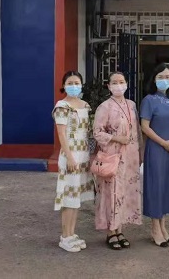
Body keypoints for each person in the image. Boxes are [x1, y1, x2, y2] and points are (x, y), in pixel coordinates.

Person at [93, 71, 143, 250]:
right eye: (114, 82)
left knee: (125, 192)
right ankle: (110, 232)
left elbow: (137, 130)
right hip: (112, 157)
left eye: (121, 81)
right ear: (109, 86)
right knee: (111, 193)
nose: (118, 85)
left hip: (130, 157)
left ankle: (119, 229)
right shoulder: (104, 107)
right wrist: (116, 138)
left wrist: (140, 152)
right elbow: (97, 132)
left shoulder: (131, 105)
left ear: (126, 84)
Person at [140, 63, 169, 247]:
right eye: (160, 77)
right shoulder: (148, 100)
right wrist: (164, 143)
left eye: (167, 77)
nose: (164, 80)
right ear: (153, 79)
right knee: (156, 187)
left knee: (167, 187)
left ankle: (163, 227)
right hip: (157, 149)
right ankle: (155, 229)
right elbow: (145, 127)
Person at [52, 70, 95, 253]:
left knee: (76, 198)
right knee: (68, 197)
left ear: (81, 84)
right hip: (70, 155)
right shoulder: (62, 106)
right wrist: (70, 157)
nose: (74, 86)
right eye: (70, 83)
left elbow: (89, 133)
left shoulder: (85, 105)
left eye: (76, 82)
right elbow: (61, 134)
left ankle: (72, 233)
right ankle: (65, 236)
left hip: (83, 155)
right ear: (64, 85)